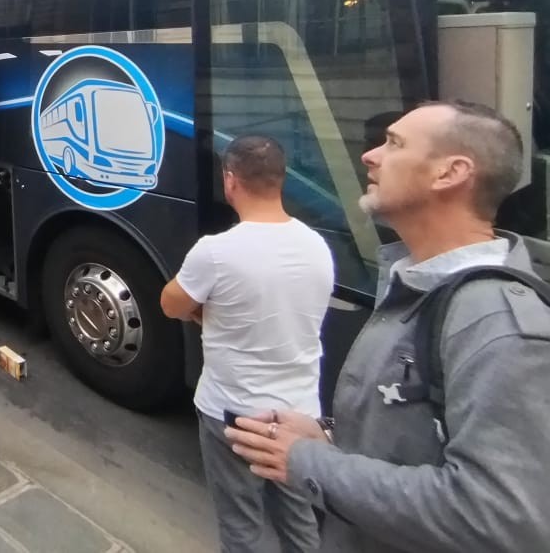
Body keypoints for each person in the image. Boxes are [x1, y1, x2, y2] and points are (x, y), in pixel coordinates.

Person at [225, 101, 550, 553]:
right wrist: (334, 439)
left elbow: (500, 517)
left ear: (450, 173)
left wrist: (309, 461)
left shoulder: (498, 327)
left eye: (393, 144)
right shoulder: (420, 279)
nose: (369, 155)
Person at [160, 136, 332, 553]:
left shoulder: (216, 252)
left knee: (242, 528)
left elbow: (170, 303)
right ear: (281, 180)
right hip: (300, 417)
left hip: (234, 415)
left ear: (230, 180)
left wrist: (205, 312)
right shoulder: (317, 245)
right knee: (299, 522)